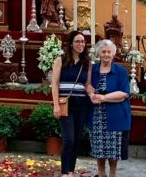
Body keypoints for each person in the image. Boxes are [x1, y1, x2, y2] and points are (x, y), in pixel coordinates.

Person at [50, 30, 92, 177]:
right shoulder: (60, 60)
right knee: (69, 138)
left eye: (83, 42)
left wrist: (94, 94)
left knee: (77, 138)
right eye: (77, 41)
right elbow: (54, 83)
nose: (80, 44)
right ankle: (64, 171)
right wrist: (55, 104)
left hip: (81, 103)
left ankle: (71, 171)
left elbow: (87, 85)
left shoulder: (86, 63)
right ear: (71, 43)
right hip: (65, 103)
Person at [88, 39, 131, 177]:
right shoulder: (92, 69)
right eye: (103, 51)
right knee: (98, 147)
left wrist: (103, 98)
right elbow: (87, 85)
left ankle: (112, 174)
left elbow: (124, 93)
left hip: (115, 114)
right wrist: (91, 94)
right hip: (96, 115)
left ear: (113, 54)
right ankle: (101, 173)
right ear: (98, 53)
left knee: (113, 149)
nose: (106, 54)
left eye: (109, 52)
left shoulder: (120, 71)